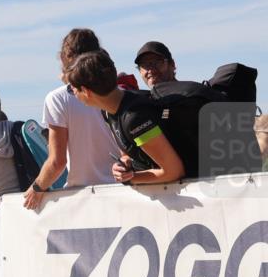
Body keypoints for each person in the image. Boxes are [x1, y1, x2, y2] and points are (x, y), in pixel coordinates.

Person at [24, 28, 119, 211]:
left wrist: (36, 188)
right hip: (124, 190)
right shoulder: (116, 91)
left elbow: (57, 162)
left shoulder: (58, 98)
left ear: (63, 57)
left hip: (83, 198)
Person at [66, 49, 185, 184]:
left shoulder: (135, 118)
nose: (73, 94)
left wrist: (132, 179)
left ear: (86, 91)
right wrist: (124, 164)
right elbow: (128, 152)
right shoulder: (108, 111)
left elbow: (174, 171)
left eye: (72, 89)